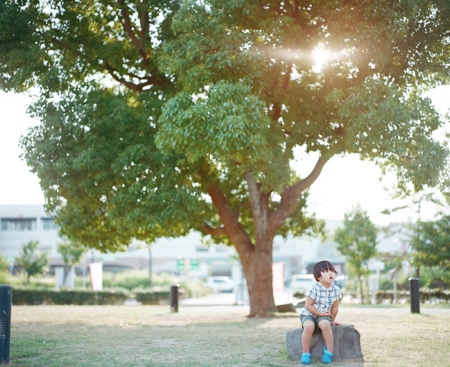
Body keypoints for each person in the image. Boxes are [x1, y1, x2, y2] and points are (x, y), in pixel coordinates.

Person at [299, 260, 342, 365]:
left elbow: (335, 307)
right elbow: (308, 305)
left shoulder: (336, 290)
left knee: (325, 324)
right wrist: (319, 314)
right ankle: (305, 353)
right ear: (318, 276)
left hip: (324, 315)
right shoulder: (314, 289)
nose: (330, 273)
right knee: (309, 326)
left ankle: (329, 351)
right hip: (309, 314)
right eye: (326, 271)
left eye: (332, 270)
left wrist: (332, 319)